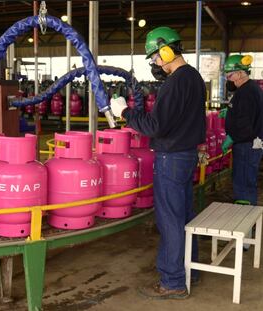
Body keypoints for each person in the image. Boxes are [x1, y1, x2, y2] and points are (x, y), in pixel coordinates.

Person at [110, 26, 206, 299]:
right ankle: (189, 270)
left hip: (171, 158)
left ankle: (173, 281)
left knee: (170, 220)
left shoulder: (176, 82)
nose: (154, 63)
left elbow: (156, 127)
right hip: (186, 155)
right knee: (185, 216)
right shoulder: (194, 78)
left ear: (166, 50)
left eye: (154, 57)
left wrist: (125, 112)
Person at [220, 54, 263, 206]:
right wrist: (230, 111)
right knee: (245, 181)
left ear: (240, 73)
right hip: (248, 145)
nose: (227, 79)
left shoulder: (247, 92)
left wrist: (231, 137)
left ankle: (244, 223)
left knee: (243, 184)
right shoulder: (248, 89)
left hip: (246, 146)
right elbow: (247, 113)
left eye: (229, 75)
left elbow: (246, 126)